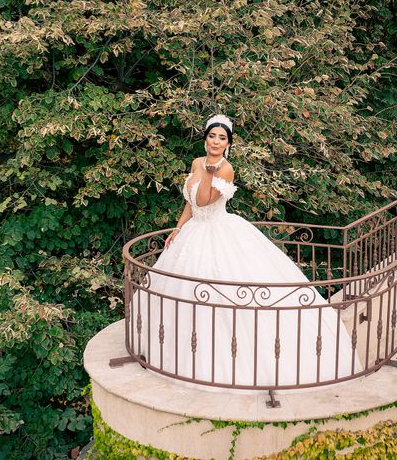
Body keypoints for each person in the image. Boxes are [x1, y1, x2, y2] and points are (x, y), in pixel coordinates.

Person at [131, 114, 360, 392]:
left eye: (222, 138)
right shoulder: (195, 163)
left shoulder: (225, 170)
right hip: (193, 234)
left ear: (228, 144)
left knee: (222, 289)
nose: (216, 141)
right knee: (182, 291)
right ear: (205, 138)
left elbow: (205, 199)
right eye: (212, 136)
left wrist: (212, 173)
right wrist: (178, 229)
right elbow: (190, 204)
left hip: (220, 230)